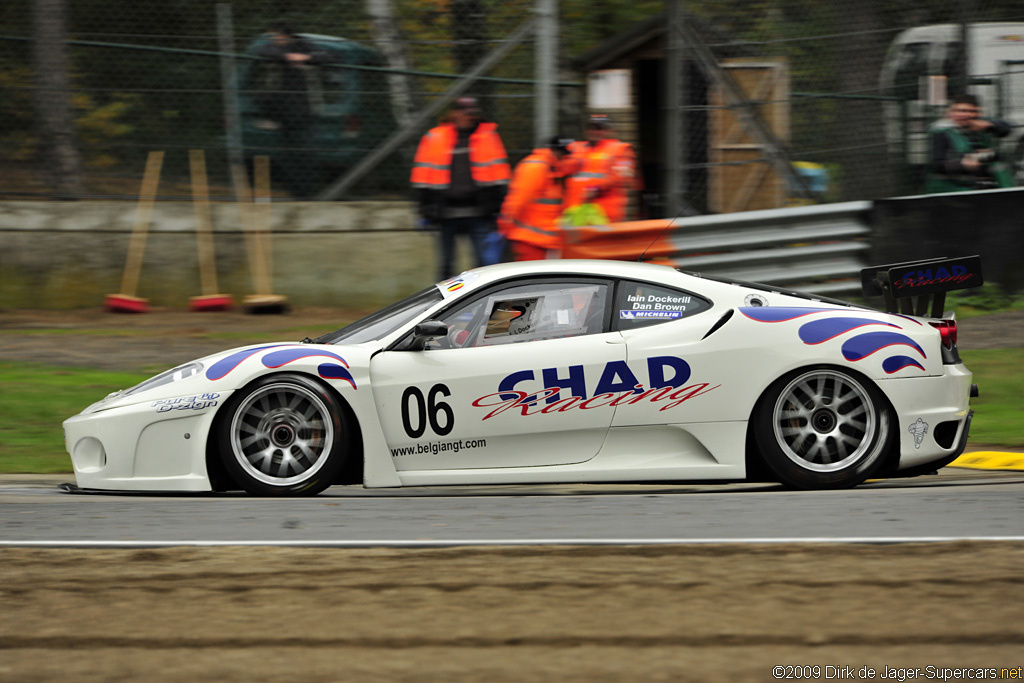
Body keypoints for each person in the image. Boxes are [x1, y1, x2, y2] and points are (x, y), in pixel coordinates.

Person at [410, 97, 511, 280]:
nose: (469, 117)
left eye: (472, 113)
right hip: (445, 213)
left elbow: (500, 174)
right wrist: (424, 210)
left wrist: (500, 209)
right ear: (454, 114)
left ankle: (482, 305)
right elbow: (421, 176)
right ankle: (445, 306)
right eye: (465, 113)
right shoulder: (435, 137)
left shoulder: (488, 137)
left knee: (483, 266)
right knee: (446, 266)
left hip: (479, 212)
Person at [252, 22, 327, 198]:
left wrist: (305, 58)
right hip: (282, 111)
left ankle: (305, 193)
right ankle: (294, 191)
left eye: (274, 35)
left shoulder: (305, 45)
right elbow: (262, 52)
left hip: (303, 111)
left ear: (284, 35)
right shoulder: (273, 47)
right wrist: (288, 57)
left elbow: (328, 56)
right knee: (288, 155)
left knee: (304, 154)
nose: (272, 39)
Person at [498, 135, 575, 261]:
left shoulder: (551, 168)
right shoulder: (536, 167)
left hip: (542, 241)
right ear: (555, 151)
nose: (565, 158)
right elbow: (517, 201)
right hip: (530, 241)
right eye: (564, 154)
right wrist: (505, 227)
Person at [925, 94, 1014, 193]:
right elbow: (937, 165)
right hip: (951, 188)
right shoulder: (941, 131)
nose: (966, 115)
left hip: (979, 185)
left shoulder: (979, 125)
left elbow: (1006, 129)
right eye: (961, 111)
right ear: (951, 113)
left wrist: (989, 126)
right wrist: (962, 164)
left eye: (972, 111)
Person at [563, 113, 638, 223]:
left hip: (604, 213)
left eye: (599, 128)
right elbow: (561, 168)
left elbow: (622, 177)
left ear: (608, 130)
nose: (594, 132)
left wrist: (597, 188)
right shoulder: (575, 148)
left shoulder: (620, 149)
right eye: (591, 128)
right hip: (575, 211)